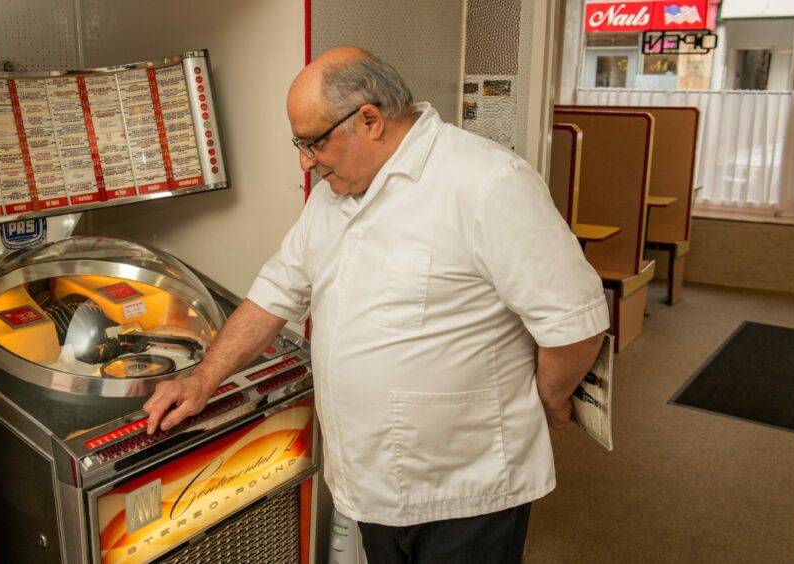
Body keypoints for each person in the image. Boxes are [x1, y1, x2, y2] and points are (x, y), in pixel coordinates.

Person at [144, 46, 609, 563]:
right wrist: (203, 378)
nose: (305, 160)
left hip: (466, 491)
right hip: (370, 484)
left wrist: (550, 399)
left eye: (313, 142)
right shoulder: (332, 196)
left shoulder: (487, 182)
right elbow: (274, 293)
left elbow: (573, 325)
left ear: (369, 120)